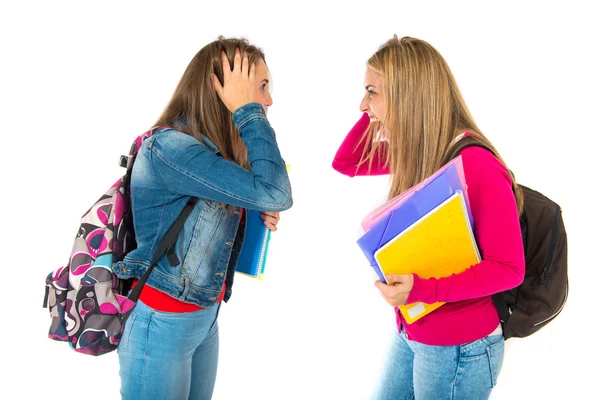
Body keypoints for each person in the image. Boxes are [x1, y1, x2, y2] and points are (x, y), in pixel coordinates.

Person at [332, 36, 524, 399]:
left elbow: (509, 269)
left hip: (460, 349)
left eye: (371, 92)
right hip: (413, 331)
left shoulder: (477, 166)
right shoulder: (421, 152)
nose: (362, 104)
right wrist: (374, 109)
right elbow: (346, 162)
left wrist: (421, 289)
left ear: (407, 94)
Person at [114, 37, 292, 400]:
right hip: (161, 324)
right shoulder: (173, 148)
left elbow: (259, 197)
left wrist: (251, 211)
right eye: (260, 87)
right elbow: (278, 192)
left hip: (203, 318)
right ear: (223, 89)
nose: (269, 100)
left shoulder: (213, 151)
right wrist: (248, 111)